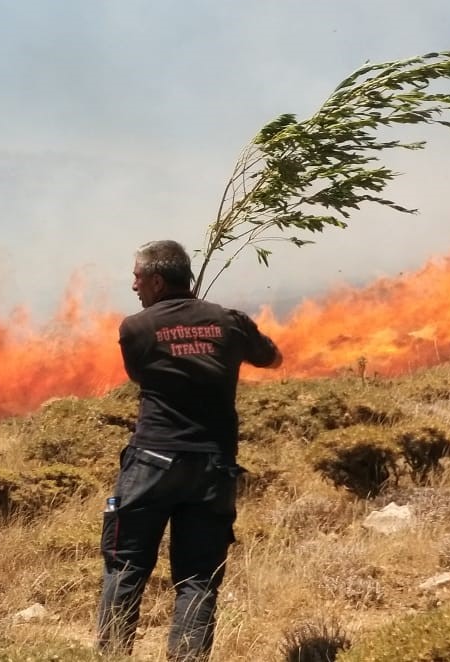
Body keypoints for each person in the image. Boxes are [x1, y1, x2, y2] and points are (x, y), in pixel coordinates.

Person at [97, 239, 283, 660]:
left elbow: (139, 374)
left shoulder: (136, 328)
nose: (133, 286)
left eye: (138, 277)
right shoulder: (229, 321)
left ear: (157, 280)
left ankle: (110, 657)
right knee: (199, 578)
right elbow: (270, 358)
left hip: (152, 462)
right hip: (213, 468)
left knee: (125, 566)